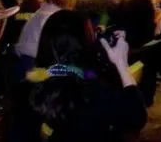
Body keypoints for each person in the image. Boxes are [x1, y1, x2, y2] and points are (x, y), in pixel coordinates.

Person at [26, 10, 147, 141]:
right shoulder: (91, 93)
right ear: (83, 44)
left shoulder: (30, 87)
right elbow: (137, 116)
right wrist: (121, 63)